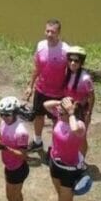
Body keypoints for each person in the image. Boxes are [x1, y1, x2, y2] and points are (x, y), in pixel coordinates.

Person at [43, 97, 89, 201]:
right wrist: (61, 103)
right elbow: (45, 104)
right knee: (61, 197)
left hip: (69, 170)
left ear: (71, 113)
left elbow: (74, 129)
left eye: (61, 112)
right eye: (59, 111)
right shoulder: (62, 117)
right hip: (55, 163)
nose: (58, 113)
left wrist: (69, 112)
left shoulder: (79, 125)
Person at [26, 19, 70, 153]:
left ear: (59, 33)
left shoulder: (66, 50)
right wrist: (30, 85)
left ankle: (54, 146)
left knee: (57, 120)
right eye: (47, 31)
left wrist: (69, 93)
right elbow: (36, 68)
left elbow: (70, 72)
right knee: (38, 116)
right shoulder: (40, 46)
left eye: (53, 32)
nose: (49, 34)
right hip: (41, 90)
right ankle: (37, 141)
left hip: (58, 93)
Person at [0, 96, 31, 201]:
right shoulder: (4, 122)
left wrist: (4, 148)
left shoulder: (21, 132)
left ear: (15, 113)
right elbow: (0, 133)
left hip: (18, 169)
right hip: (9, 166)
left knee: (13, 198)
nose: (3, 117)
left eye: (7, 114)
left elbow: (23, 155)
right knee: (12, 196)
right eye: (1, 114)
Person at [62, 47, 95, 130]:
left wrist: (88, 113)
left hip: (80, 111)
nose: (72, 63)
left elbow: (91, 96)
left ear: (81, 63)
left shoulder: (85, 78)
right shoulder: (66, 73)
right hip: (67, 108)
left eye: (76, 61)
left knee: (80, 136)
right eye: (70, 60)